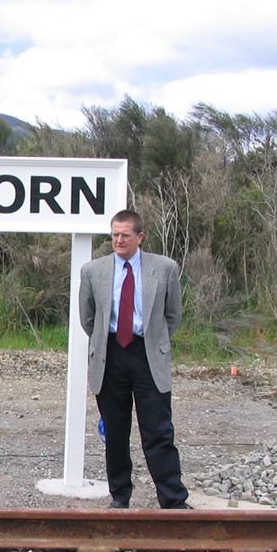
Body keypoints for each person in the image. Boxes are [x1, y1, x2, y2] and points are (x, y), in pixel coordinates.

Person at [78, 209, 190, 509]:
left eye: (125, 235)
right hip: (111, 354)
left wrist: (153, 339)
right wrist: (109, 341)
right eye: (114, 234)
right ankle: (120, 497)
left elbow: (173, 315)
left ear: (140, 237)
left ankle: (173, 499)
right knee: (115, 432)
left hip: (147, 353)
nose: (118, 240)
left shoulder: (165, 268)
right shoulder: (93, 271)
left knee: (158, 431)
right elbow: (88, 319)